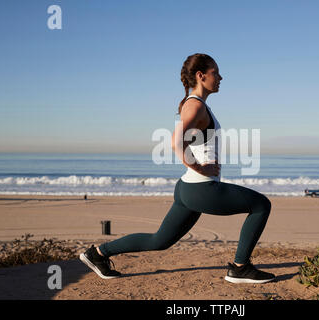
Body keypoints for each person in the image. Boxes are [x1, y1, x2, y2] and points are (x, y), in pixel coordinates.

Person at [80, 53, 275, 284]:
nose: (221, 77)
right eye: (216, 72)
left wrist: (197, 167)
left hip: (187, 189)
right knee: (261, 205)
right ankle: (240, 268)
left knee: (159, 241)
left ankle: (97, 254)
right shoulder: (195, 106)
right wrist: (200, 168)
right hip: (201, 188)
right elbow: (175, 141)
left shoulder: (194, 104)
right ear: (201, 76)